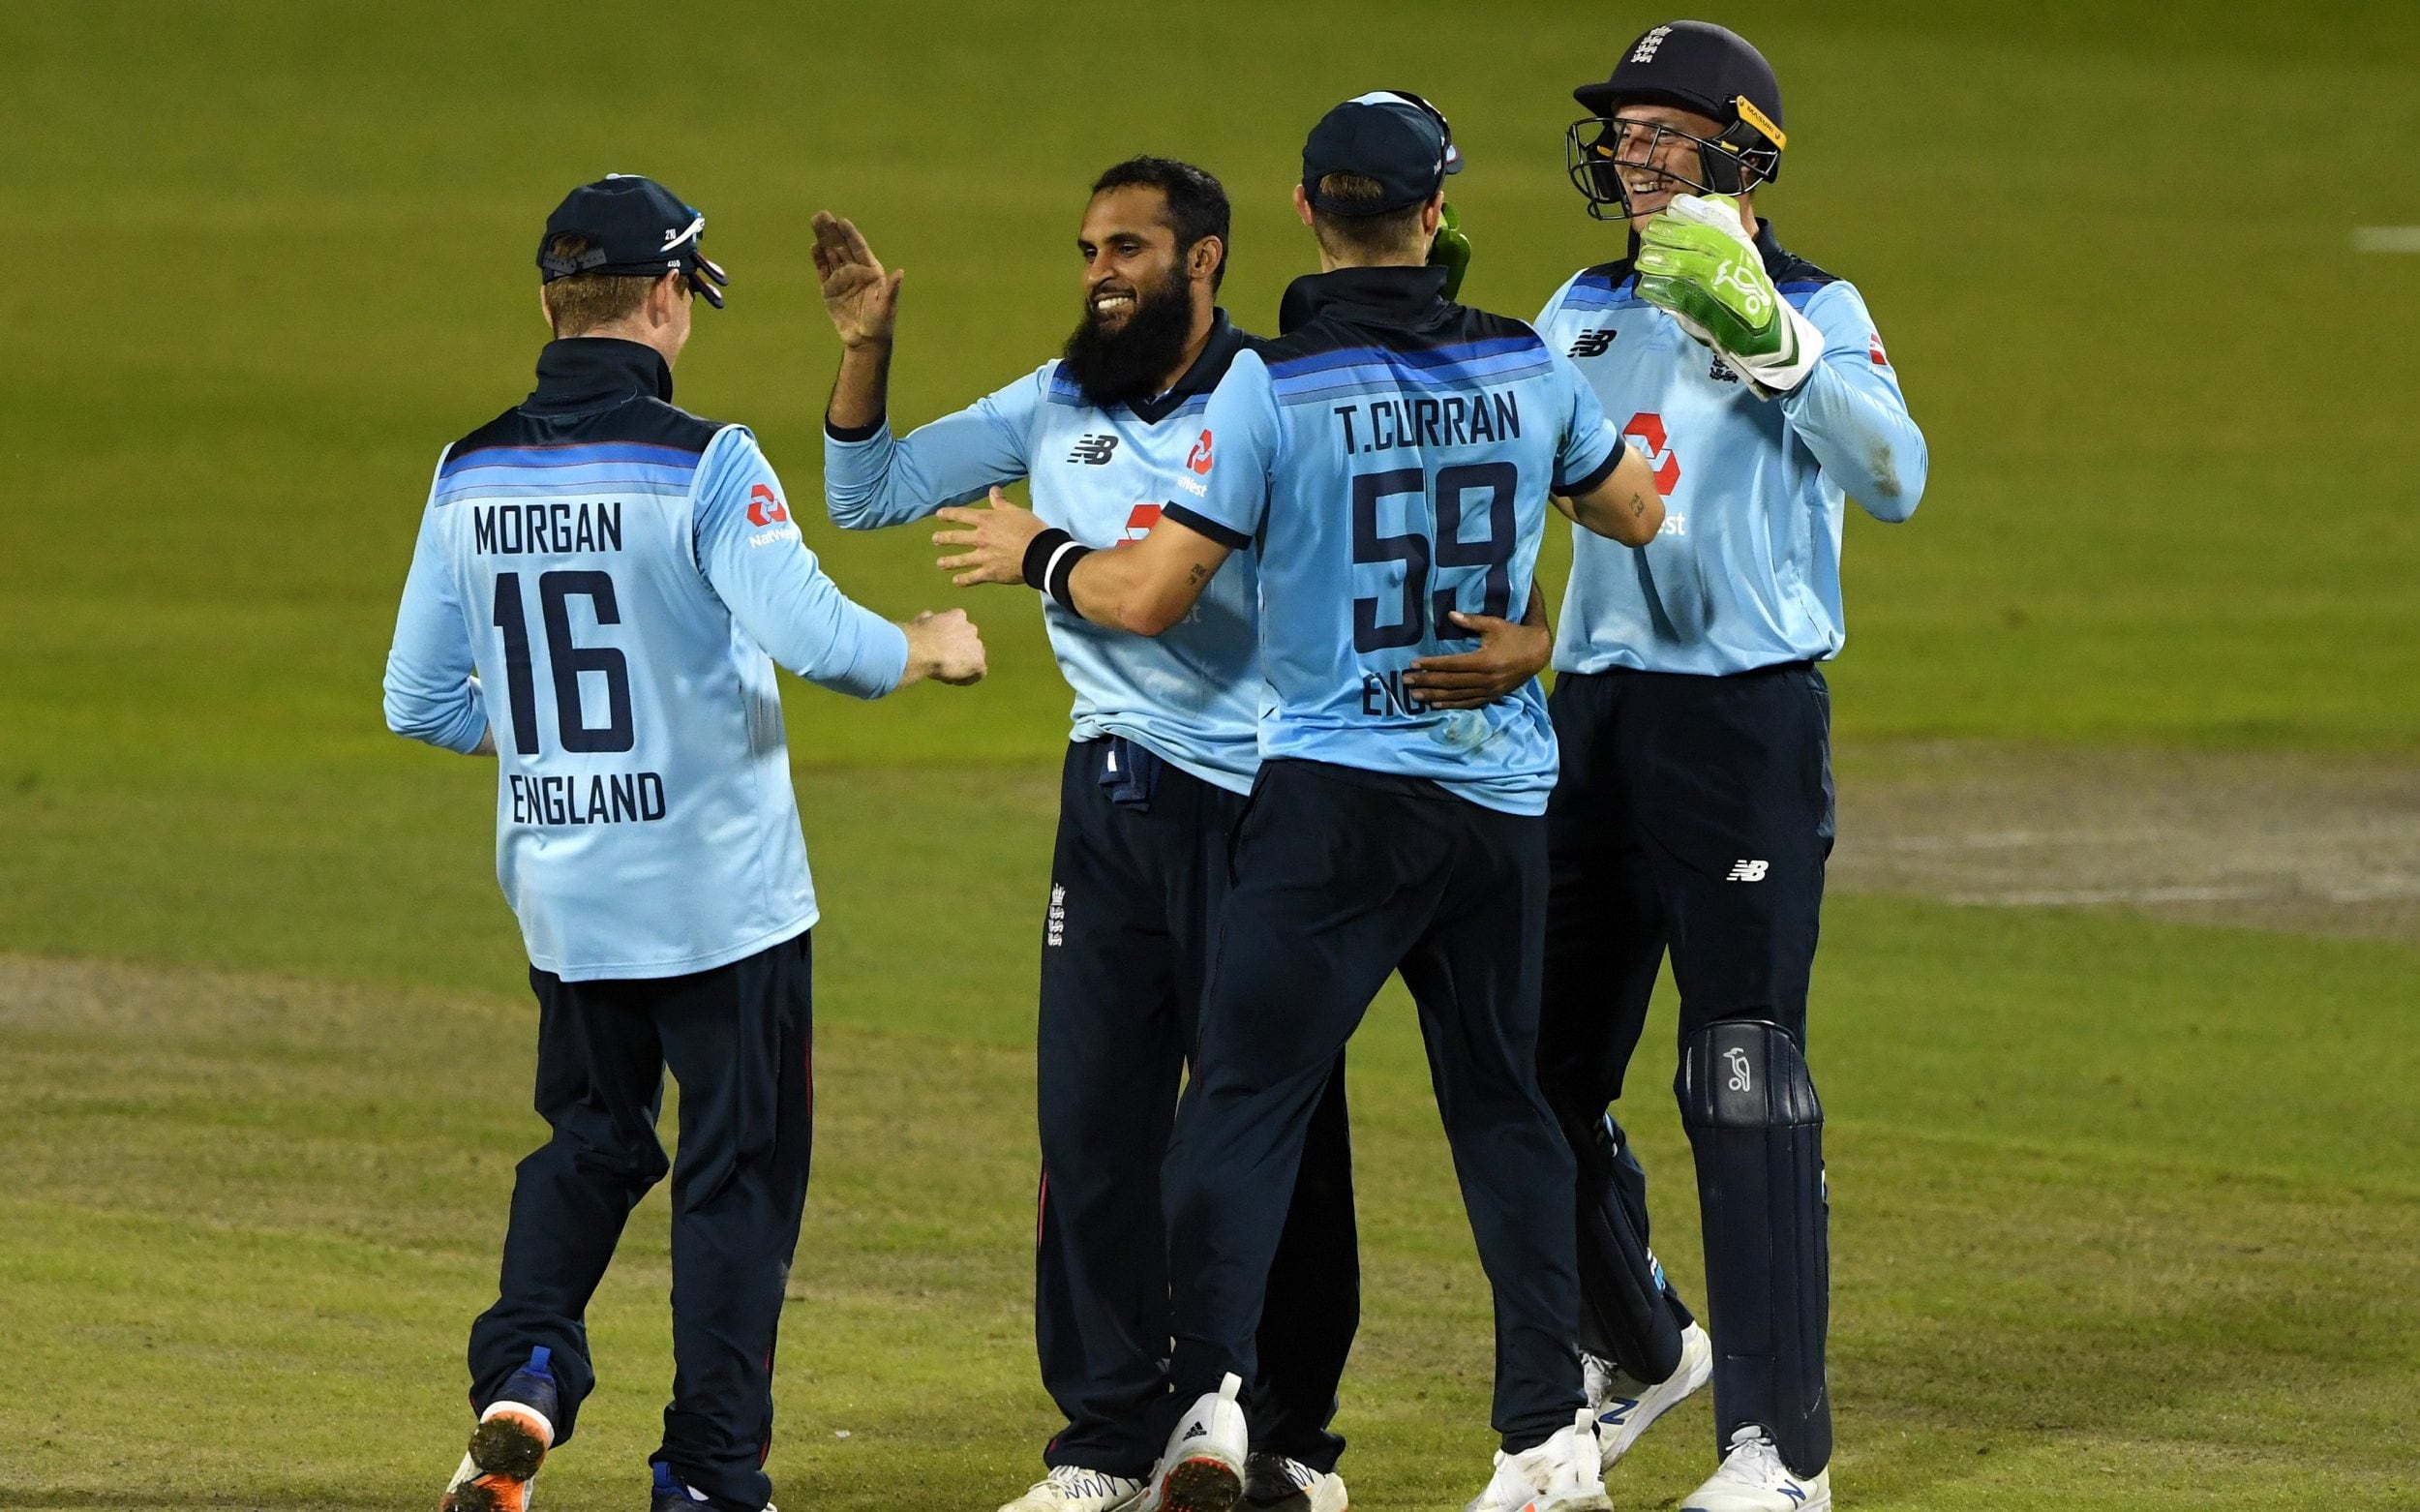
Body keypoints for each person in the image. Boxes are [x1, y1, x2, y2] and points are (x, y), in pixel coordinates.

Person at [931, 93, 1664, 1512]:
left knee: (1240, 1111)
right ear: (1437, 215)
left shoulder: (1273, 387)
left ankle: (1204, 1400)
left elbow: (1150, 593)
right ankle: (1543, 1441)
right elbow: (1638, 514)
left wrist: (1036, 555)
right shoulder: (1525, 362)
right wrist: (1540, 631)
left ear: (1306, 215)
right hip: (1499, 797)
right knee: (1506, 1110)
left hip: (1333, 799)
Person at [812, 154, 1546, 1512]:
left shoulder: (1284, 394)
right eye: (1089, 248)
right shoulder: (1055, 402)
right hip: (1113, 800)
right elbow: (868, 492)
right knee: (1091, 1126)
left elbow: (1442, 542)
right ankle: (1103, 1442)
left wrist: (1536, 631)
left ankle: (1289, 1440)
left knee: (1278, 1131)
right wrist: (868, 354)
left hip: (1269, 798)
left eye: (1130, 249)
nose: (1101, 272)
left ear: (1202, 261)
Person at [382, 173, 986, 1512]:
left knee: (591, 1140)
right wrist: (929, 647)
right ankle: (710, 1474)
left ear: (553, 304)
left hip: (566, 899)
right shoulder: (706, 460)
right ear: (668, 299)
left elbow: (419, 701)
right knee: (737, 1178)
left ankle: (526, 1368)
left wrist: (561, 746)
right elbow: (825, 642)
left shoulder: (468, 465)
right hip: (724, 906)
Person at [1530, 22, 1929, 1512]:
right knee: (1527, 1066)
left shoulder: (1818, 302)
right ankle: (1640, 1346)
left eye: (1665, 133)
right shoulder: (1576, 302)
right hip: (1588, 716)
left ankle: (1781, 1455)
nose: (1634, 155)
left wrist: (1776, 341)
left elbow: (1897, 476)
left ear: (1744, 151)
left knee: (1740, 1068)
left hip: (1743, 719)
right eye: (1623, 133)